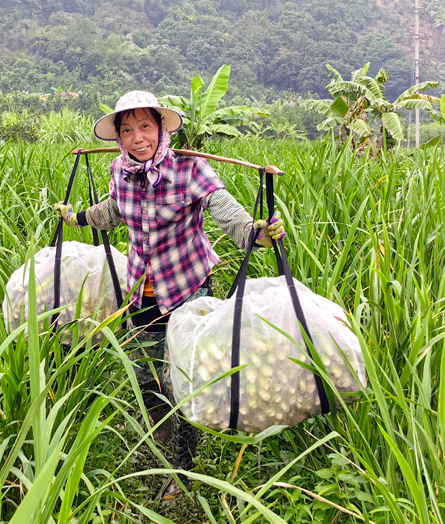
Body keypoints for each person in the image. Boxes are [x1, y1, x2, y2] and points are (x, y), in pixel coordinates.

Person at [54, 90, 285, 499]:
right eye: (126, 130)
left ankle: (182, 470)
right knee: (147, 375)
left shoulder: (191, 169)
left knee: (183, 383)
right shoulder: (119, 171)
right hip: (140, 294)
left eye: (145, 126)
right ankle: (161, 435)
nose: (136, 137)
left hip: (186, 290)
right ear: (119, 138)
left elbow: (224, 208)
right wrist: (75, 217)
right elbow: (111, 211)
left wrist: (256, 232)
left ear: (161, 129)